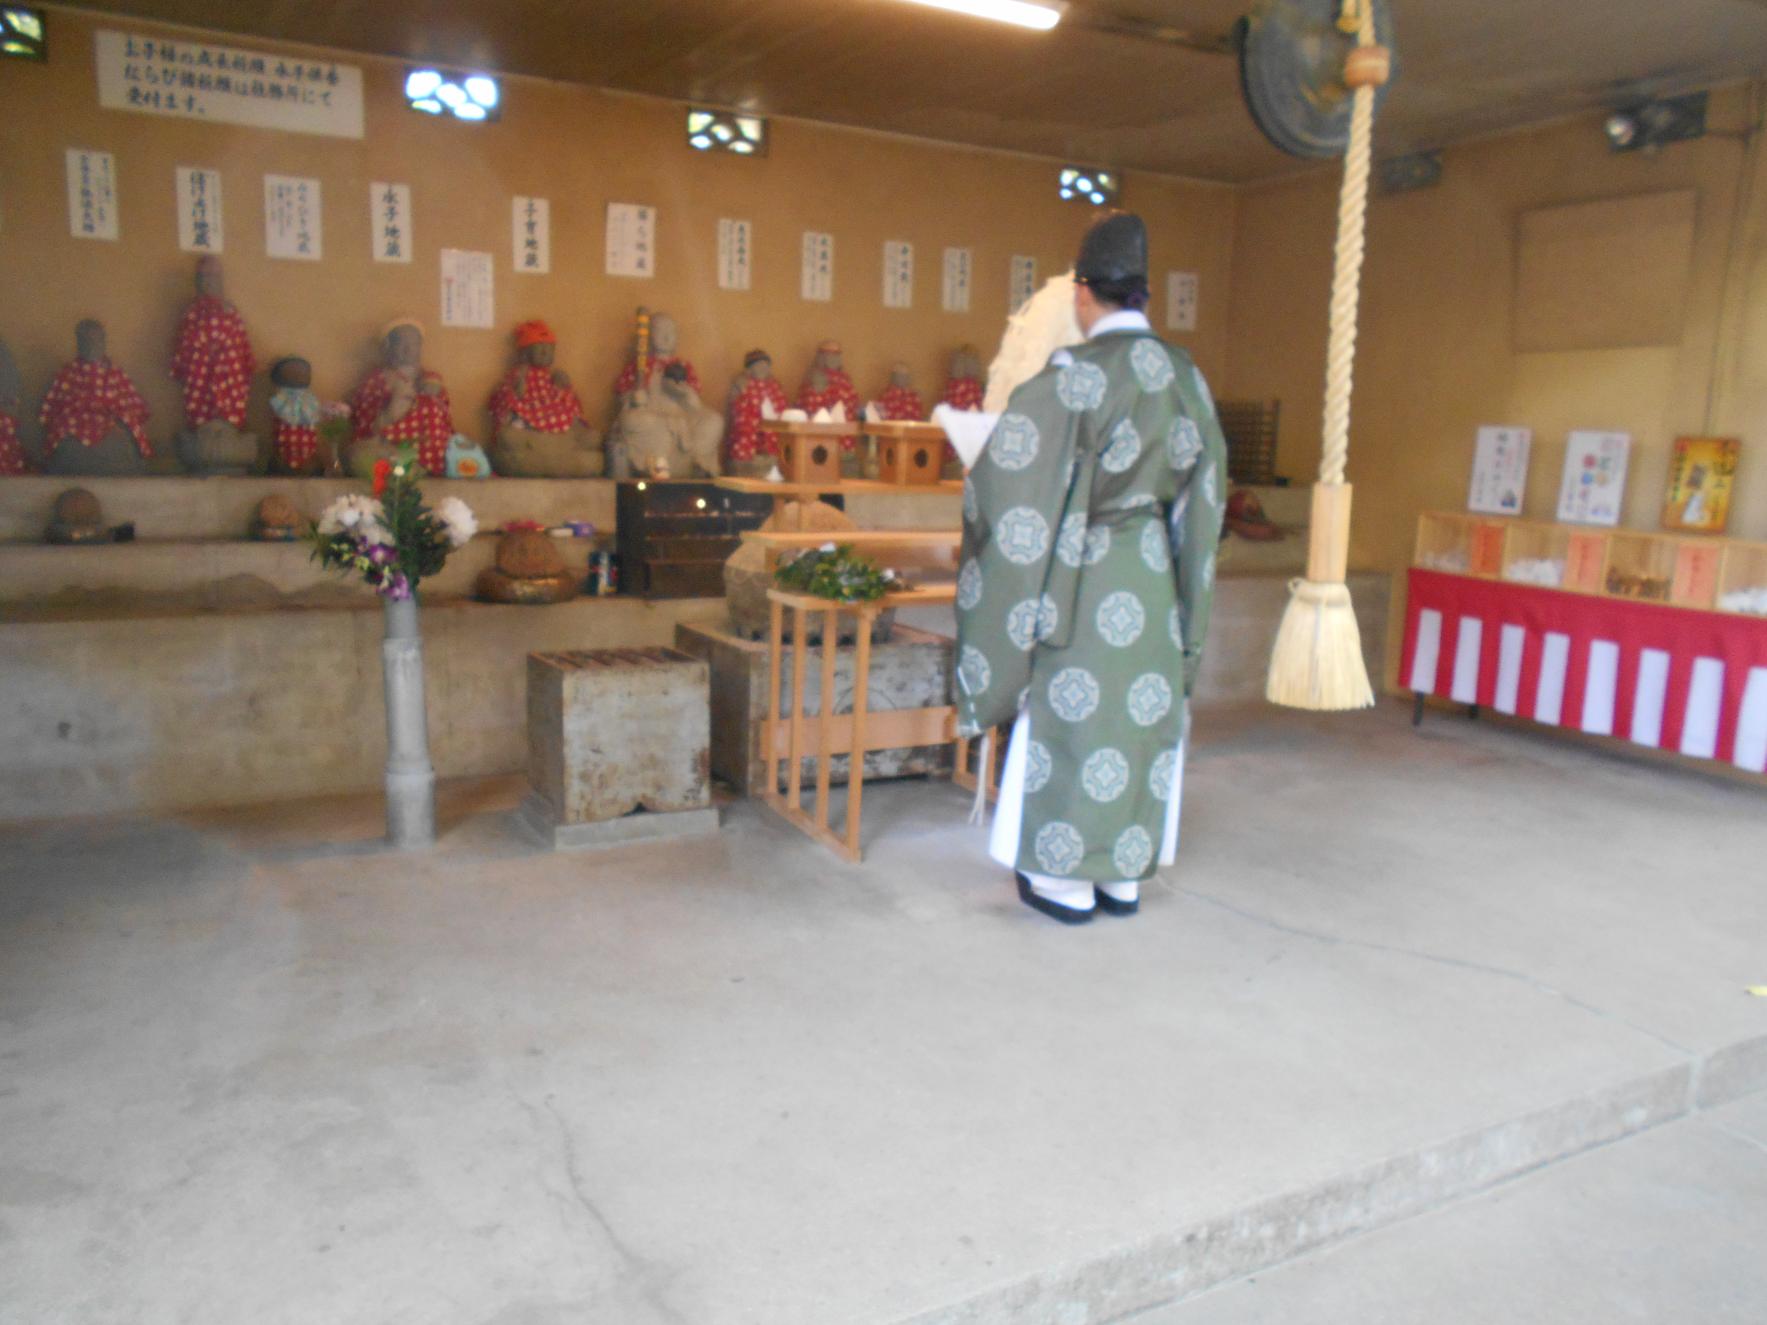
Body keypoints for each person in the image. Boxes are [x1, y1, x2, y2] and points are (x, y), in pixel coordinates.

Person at [955, 211, 1227, 924]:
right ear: (1143, 295)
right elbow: (1205, 502)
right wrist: (1186, 617)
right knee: (1135, 721)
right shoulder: (1185, 377)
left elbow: (1009, 489)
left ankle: (1063, 880)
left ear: (1083, 294)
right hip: (1152, 573)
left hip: (1086, 568)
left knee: (1072, 719)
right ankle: (1123, 878)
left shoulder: (1074, 376)